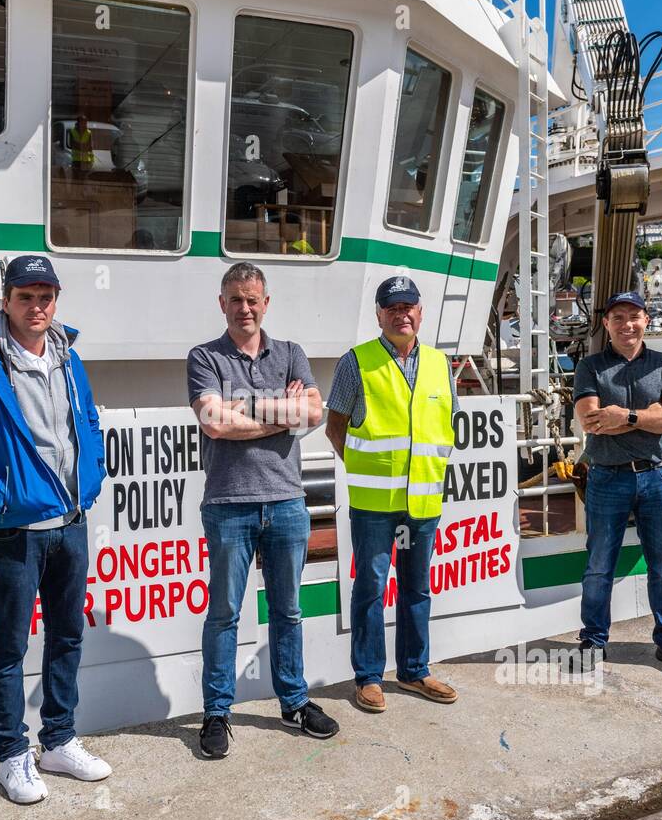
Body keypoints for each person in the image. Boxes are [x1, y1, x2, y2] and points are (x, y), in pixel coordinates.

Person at [0, 255, 110, 804]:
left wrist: (91, 479)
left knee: (67, 635)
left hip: (71, 523)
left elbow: (88, 424)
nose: (37, 307)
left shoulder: (69, 356)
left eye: (46, 297)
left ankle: (58, 740)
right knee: (9, 645)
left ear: (56, 299)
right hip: (16, 529)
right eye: (26, 297)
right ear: (5, 301)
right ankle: (11, 752)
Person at [187, 262, 339, 759]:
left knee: (289, 610)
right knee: (226, 613)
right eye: (235, 299)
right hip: (228, 504)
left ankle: (294, 701)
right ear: (221, 303)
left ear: (265, 303)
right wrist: (280, 412)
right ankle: (216, 712)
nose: (244, 308)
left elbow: (314, 413)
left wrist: (244, 408)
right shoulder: (204, 357)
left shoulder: (291, 353)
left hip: (288, 502)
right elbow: (213, 423)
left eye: (253, 299)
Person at [325, 276, 460, 713]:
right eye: (392, 307)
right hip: (375, 507)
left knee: (417, 588)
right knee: (371, 587)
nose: (401, 314)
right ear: (379, 315)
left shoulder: (441, 364)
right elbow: (336, 426)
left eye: (408, 307)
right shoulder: (356, 362)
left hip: (421, 504)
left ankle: (415, 671)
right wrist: (369, 470)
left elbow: (445, 426)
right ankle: (367, 677)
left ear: (420, 312)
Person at [572, 292, 662, 677]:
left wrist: (624, 415)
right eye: (618, 317)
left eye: (634, 316)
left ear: (647, 320)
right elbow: (591, 421)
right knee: (598, 564)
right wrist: (651, 414)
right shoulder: (589, 367)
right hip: (607, 476)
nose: (627, 324)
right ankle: (593, 640)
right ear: (606, 324)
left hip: (657, 474)